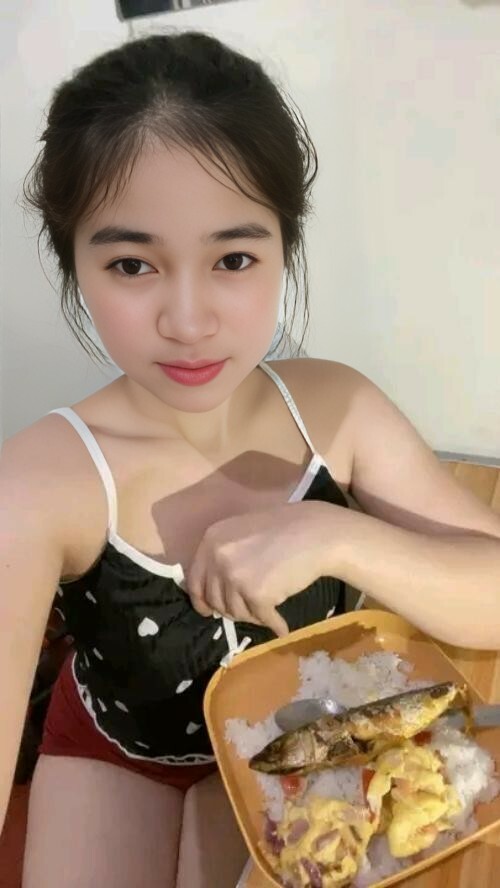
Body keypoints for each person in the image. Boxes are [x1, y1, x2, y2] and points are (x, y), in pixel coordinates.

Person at [0, 29, 499, 888]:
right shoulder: (39, 482)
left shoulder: (336, 408)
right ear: (73, 261)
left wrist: (336, 536)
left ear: (285, 247)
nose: (189, 321)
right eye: (132, 264)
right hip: (120, 748)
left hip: (302, 727)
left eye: (233, 258)